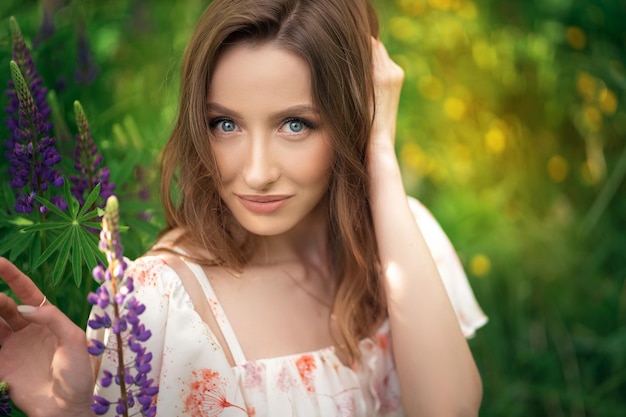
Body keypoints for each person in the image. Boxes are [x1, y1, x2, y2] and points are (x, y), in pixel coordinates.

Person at [0, 0, 488, 415]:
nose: (256, 173)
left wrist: (379, 149)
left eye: (295, 125)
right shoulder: (161, 300)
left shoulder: (402, 238)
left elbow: (450, 408)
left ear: (355, 115)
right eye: (225, 125)